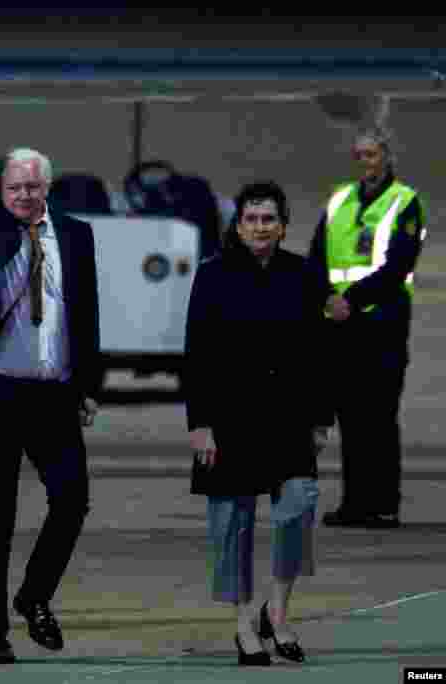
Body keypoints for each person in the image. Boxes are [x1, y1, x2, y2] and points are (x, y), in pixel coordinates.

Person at [0, 54, 104, 665]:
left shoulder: (78, 236)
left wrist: (89, 385)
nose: (25, 195)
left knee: (73, 501)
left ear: (47, 188)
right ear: (1, 193)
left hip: (55, 394)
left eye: (34, 186)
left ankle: (33, 597)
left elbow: (86, 316)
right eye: (15, 187)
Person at [184, 181, 332, 666]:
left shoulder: (304, 274)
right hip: (229, 419)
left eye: (269, 219)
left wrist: (319, 418)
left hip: (290, 418)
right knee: (232, 526)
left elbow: (318, 353)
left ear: (283, 224)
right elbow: (197, 353)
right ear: (239, 224)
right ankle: (244, 627)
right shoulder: (213, 275)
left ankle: (279, 612)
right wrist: (199, 424)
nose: (261, 227)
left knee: (297, 508)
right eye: (252, 219)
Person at [308, 125, 426, 529]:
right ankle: (355, 503)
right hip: (339, 324)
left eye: (372, 154)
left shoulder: (405, 202)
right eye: (360, 155)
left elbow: (398, 265)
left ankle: (384, 503)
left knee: (378, 413)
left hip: (382, 320)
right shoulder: (339, 199)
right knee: (350, 415)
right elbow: (316, 256)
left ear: (388, 157)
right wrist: (325, 297)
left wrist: (351, 300)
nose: (365, 162)